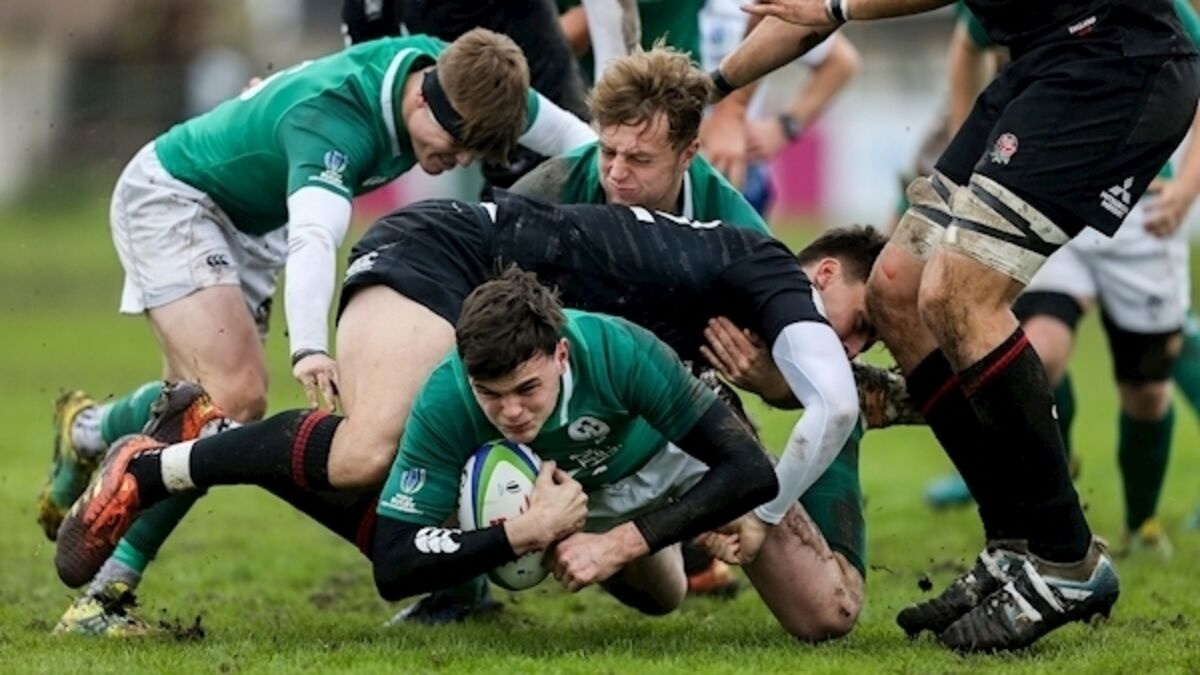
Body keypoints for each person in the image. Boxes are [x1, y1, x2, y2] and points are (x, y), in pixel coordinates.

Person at [57, 194, 883, 640]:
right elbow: (393, 560)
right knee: (367, 452)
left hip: (634, 456)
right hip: (441, 258)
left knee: (749, 606)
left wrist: (621, 542)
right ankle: (173, 458)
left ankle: (503, 562)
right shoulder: (461, 386)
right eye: (613, 148)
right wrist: (515, 535)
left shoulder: (634, 337)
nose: (511, 412)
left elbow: (767, 451)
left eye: (526, 391)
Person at [43, 28, 597, 636]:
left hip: (257, 219)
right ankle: (102, 598)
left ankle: (87, 430)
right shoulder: (336, 121)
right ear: (421, 100)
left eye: (474, 150)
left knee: (199, 405)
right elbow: (315, 237)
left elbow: (582, 144)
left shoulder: (466, 79)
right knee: (228, 400)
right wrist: (309, 347)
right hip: (178, 197)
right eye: (456, 143)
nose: (461, 159)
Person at [726, 0, 1200, 652]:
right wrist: (712, 89)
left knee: (959, 292)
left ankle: (1066, 557)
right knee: (896, 288)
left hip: (1113, 59)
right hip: (1041, 63)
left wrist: (836, 6)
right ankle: (1014, 543)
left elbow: (827, 10)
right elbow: (804, 14)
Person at [921, 3, 1200, 565]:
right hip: (1049, 191)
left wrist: (1188, 187)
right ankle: (1053, 485)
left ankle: (1141, 520)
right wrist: (966, 144)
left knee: (1146, 391)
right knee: (1037, 349)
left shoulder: (1148, 13)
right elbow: (966, 44)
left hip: (1142, 208)